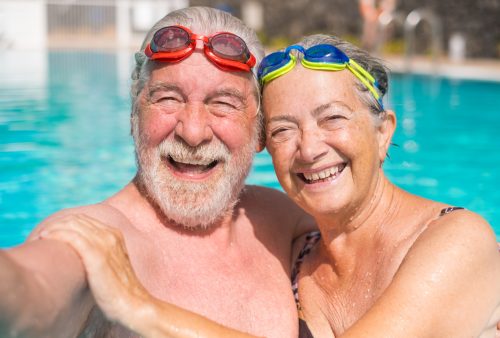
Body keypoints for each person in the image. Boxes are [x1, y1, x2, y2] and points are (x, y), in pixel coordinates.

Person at [39, 34, 500, 337]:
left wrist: (140, 308)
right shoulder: (296, 258)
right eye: (283, 130)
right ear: (263, 148)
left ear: (383, 132)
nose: (309, 149)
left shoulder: (454, 239)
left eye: (332, 119)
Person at [0, 7, 316, 338]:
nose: (193, 132)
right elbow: (30, 291)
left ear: (260, 130)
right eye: (168, 98)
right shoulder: (97, 237)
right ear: (134, 114)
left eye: (223, 103)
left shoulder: (281, 219)